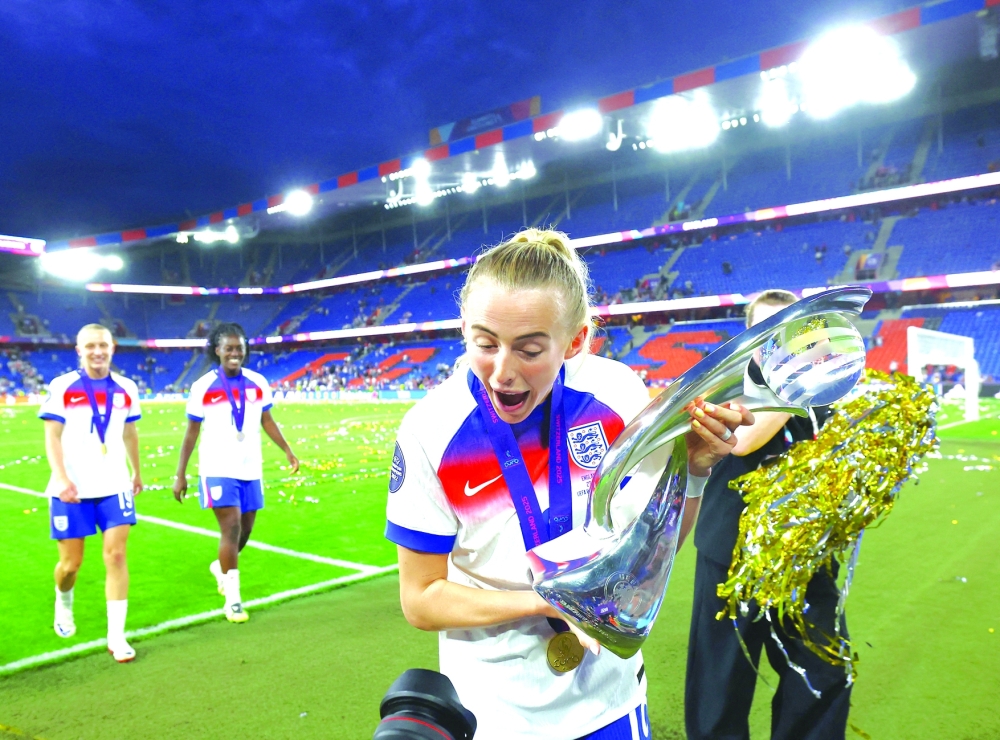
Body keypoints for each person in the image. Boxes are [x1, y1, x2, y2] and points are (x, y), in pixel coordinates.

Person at [386, 229, 753, 740]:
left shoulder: (616, 393)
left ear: (576, 340)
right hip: (492, 711)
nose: (502, 372)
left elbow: (651, 551)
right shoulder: (430, 429)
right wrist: (548, 600)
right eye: (485, 344)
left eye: (530, 349)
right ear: (464, 328)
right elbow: (421, 598)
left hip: (609, 702)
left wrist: (692, 472)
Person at [685, 289, 851, 740]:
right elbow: (743, 441)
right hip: (731, 554)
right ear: (750, 338)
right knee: (720, 685)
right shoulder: (726, 384)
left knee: (824, 674)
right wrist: (797, 380)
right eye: (767, 333)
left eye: (789, 331)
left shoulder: (827, 389)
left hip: (805, 556)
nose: (779, 342)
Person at [172, 323, 299, 623]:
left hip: (250, 468)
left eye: (239, 348)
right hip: (217, 467)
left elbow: (267, 420)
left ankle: (220, 568)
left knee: (246, 530)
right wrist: (181, 473)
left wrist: (287, 449)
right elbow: (191, 432)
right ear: (217, 350)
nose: (234, 353)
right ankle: (233, 600)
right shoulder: (202, 386)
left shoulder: (257, 382)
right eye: (228, 348)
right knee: (230, 528)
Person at [39, 324, 143, 662]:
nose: (97, 351)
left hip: (114, 485)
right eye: (90, 346)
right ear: (79, 351)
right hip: (72, 489)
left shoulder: (127, 387)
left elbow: (129, 433)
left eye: (103, 345)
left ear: (112, 348)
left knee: (116, 556)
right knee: (71, 564)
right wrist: (61, 478)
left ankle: (117, 636)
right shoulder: (63, 386)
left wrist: (136, 471)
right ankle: (63, 600)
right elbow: (52, 436)